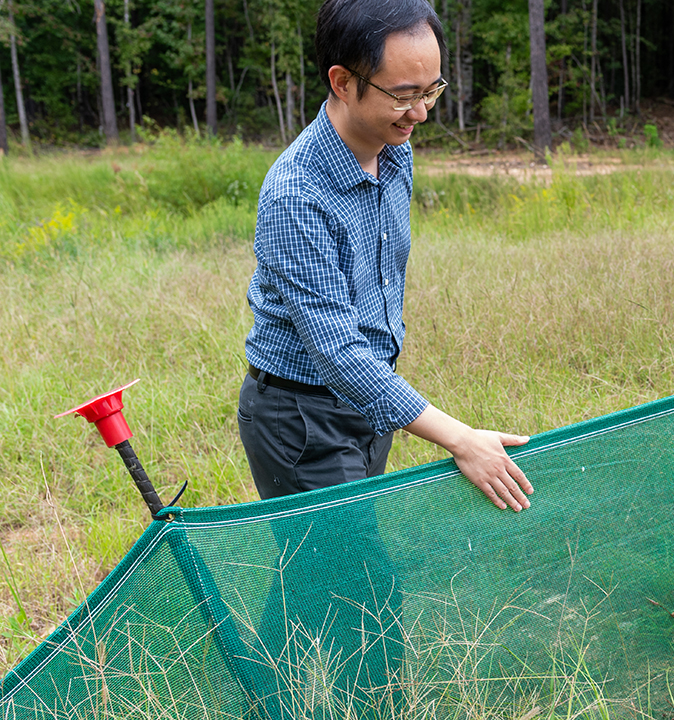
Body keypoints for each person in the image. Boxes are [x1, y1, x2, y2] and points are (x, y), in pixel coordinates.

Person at [234, 0, 533, 709]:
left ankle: (256, 695)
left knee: (310, 573)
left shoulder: (396, 152)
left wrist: (390, 406)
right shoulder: (295, 193)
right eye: (403, 94)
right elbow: (336, 352)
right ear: (342, 81)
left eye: (432, 90)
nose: (420, 112)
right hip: (301, 417)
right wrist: (460, 439)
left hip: (367, 408)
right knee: (367, 596)